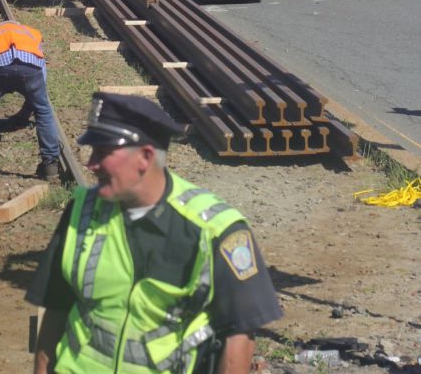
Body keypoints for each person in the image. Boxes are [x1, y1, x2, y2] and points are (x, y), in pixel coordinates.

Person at [28, 92, 281, 374]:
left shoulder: (215, 229)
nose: (91, 164)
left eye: (103, 152)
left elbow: (239, 336)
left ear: (145, 157)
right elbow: (55, 310)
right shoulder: (81, 211)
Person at [0, 20, 60, 181]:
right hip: (29, 68)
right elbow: (42, 69)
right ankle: (50, 165)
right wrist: (35, 100)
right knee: (43, 111)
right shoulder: (31, 33)